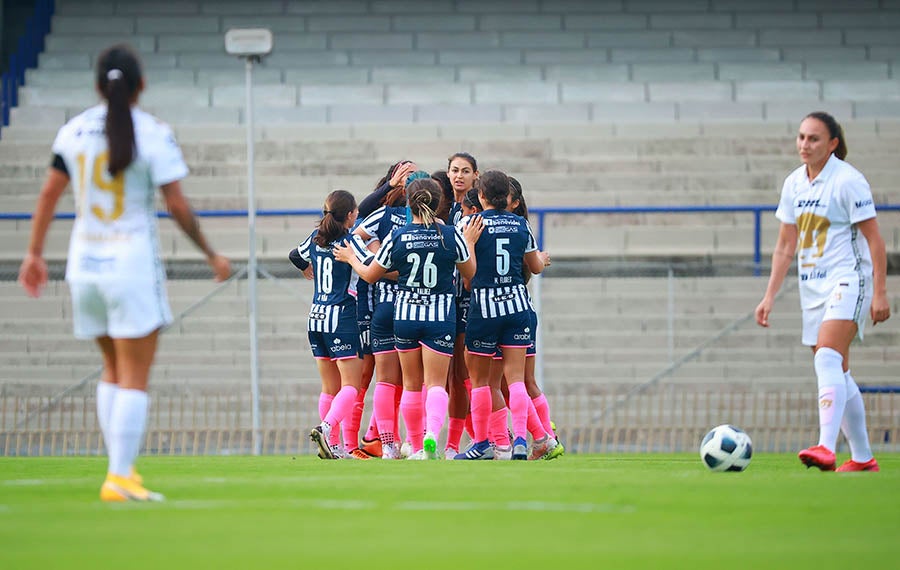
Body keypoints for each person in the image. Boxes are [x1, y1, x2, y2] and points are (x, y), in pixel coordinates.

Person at [17, 44, 231, 501]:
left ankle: (122, 472)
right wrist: (211, 254)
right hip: (130, 265)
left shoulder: (72, 131)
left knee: (112, 368)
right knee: (134, 373)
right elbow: (176, 205)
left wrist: (34, 253)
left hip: (84, 265)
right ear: (142, 85)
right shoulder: (152, 132)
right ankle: (118, 476)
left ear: (97, 85)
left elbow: (48, 196)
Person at [755, 111, 890, 472]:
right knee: (837, 372)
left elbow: (875, 239)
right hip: (811, 287)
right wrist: (769, 296)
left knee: (826, 358)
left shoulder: (848, 181)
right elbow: (786, 246)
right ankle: (863, 458)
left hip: (848, 279)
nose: (804, 144)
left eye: (813, 138)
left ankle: (825, 448)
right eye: (801, 137)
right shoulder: (794, 184)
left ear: (832, 143)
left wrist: (880, 291)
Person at [336, 179, 482, 459]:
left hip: (405, 316)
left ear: (409, 203)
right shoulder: (451, 235)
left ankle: (415, 447)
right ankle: (431, 437)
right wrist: (471, 243)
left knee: (412, 386)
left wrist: (352, 258)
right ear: (439, 202)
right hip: (440, 316)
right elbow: (470, 272)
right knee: (437, 384)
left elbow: (369, 275)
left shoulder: (398, 236)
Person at [455, 170, 549, 460]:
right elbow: (534, 266)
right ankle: (521, 439)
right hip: (517, 306)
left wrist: (470, 245)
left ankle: (483, 443)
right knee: (516, 379)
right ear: (508, 197)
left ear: (481, 196)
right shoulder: (521, 224)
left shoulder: (469, 223)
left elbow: (467, 272)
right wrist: (542, 260)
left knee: (482, 381)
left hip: (484, 308)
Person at [300, 190, 372, 460]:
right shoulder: (350, 242)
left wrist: (307, 269)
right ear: (351, 215)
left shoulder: (316, 238)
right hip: (341, 316)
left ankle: (333, 445)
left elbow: (296, 255)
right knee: (350, 386)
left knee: (329, 388)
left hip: (316, 317)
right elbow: (370, 269)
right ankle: (326, 427)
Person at [444, 153, 481, 458]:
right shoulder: (450, 210)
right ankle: (455, 443)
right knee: (456, 376)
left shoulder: (474, 214)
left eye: (465, 171)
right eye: (455, 170)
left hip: (473, 300)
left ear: (475, 175)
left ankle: (500, 434)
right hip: (450, 301)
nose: (459, 175)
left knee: (477, 374)